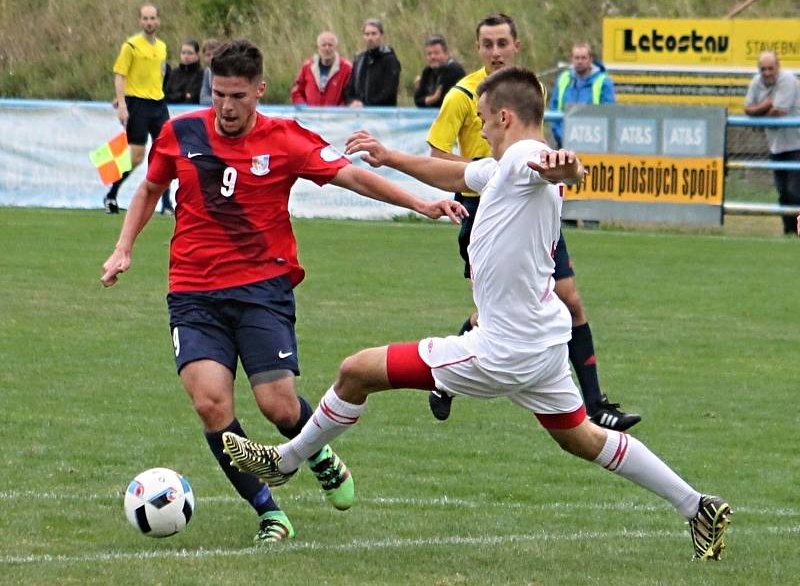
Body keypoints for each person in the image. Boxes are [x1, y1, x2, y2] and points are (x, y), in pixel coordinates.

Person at [221, 67, 732, 561]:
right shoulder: (504, 166)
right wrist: (389, 156)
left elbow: (559, 165)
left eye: (484, 121)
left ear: (505, 117)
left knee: (356, 371)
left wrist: (568, 167)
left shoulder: (526, 157)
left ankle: (285, 461)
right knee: (584, 439)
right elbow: (456, 172)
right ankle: (698, 506)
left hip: (502, 350)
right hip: (540, 341)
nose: (481, 131)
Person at [100, 39, 465, 543]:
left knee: (278, 406)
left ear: (260, 90)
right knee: (211, 405)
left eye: (239, 96)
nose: (227, 107)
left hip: (261, 290)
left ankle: (316, 450)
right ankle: (268, 511)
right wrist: (124, 248)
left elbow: (351, 176)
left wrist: (422, 204)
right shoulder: (179, 133)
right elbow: (148, 189)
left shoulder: (286, 138)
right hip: (192, 292)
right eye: (220, 94)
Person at [426, 13, 639, 430]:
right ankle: (446, 374)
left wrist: (557, 169)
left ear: (516, 46)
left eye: (502, 43)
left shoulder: (529, 90)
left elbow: (543, 154)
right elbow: (437, 158)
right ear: (478, 49)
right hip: (488, 214)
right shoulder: (461, 95)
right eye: (487, 44)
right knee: (489, 316)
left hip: (535, 207)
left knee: (570, 298)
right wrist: (493, 171)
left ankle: (596, 404)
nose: (495, 51)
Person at [106, 3, 174, 216]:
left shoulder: (162, 47)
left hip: (158, 104)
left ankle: (166, 204)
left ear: (158, 21)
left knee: (167, 153)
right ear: (139, 21)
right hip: (137, 105)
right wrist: (122, 102)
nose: (149, 22)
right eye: (145, 18)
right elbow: (120, 75)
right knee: (136, 156)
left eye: (152, 18)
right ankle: (112, 193)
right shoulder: (131, 46)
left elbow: (157, 75)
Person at [744, 51, 800, 236]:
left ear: (778, 66)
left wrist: (759, 110)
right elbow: (747, 109)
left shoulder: (788, 80)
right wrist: (766, 105)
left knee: (794, 191)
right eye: (763, 69)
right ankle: (789, 231)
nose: (767, 73)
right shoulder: (756, 82)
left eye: (770, 68)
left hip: (796, 144)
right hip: (776, 145)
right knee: (782, 191)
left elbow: (778, 113)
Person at [549, 42, 615, 148]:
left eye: (583, 58)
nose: (580, 61)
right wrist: (562, 136)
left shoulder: (604, 82)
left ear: (590, 59)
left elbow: (609, 113)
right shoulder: (563, 79)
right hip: (563, 142)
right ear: (572, 59)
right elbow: (554, 108)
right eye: (577, 58)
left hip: (593, 143)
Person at [344, 19, 401, 107]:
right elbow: (350, 88)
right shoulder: (359, 59)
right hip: (360, 114)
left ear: (381, 35)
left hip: (383, 114)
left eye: (374, 34)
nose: (370, 38)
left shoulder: (390, 59)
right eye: (367, 34)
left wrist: (367, 105)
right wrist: (352, 102)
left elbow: (389, 92)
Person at [290, 31, 352, 106]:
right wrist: (302, 106)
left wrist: (338, 111)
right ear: (318, 47)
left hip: (336, 116)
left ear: (336, 47)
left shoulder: (346, 68)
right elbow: (297, 91)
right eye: (323, 45)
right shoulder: (307, 66)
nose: (327, 48)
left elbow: (350, 95)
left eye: (330, 45)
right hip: (310, 115)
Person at [413, 35, 466, 108]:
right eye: (429, 54)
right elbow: (417, 100)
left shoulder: (454, 69)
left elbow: (440, 102)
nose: (432, 57)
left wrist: (428, 99)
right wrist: (432, 99)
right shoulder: (428, 71)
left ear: (446, 54)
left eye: (436, 53)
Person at [164, 39, 204, 104]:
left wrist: (177, 96)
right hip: (172, 110)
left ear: (197, 55)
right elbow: (166, 95)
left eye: (190, 53)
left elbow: (194, 96)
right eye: (183, 53)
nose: (186, 56)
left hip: (193, 110)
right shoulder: (174, 73)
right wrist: (183, 95)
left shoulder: (202, 74)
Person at [199, 38, 221, 106]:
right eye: (208, 55)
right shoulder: (208, 72)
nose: (212, 58)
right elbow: (203, 99)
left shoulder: (229, 72)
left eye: (215, 54)